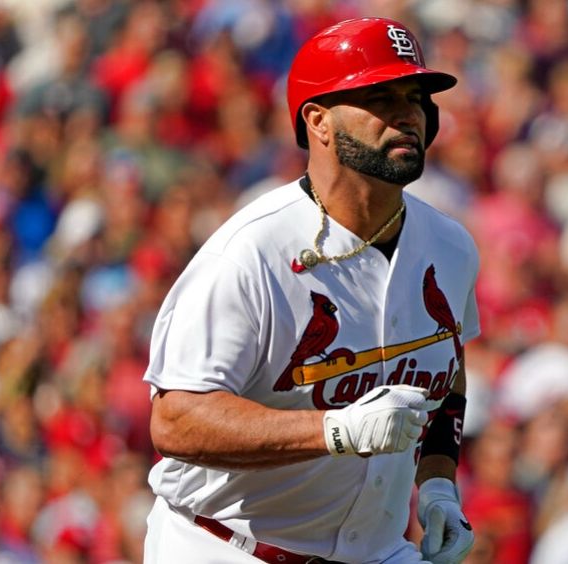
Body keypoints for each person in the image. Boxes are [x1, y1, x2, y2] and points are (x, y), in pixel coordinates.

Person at [143, 17, 478, 564]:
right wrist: (335, 430)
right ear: (318, 121)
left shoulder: (451, 246)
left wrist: (439, 483)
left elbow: (445, 370)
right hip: (227, 545)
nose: (408, 115)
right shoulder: (251, 252)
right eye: (380, 97)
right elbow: (175, 420)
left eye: (416, 98)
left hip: (378, 550)